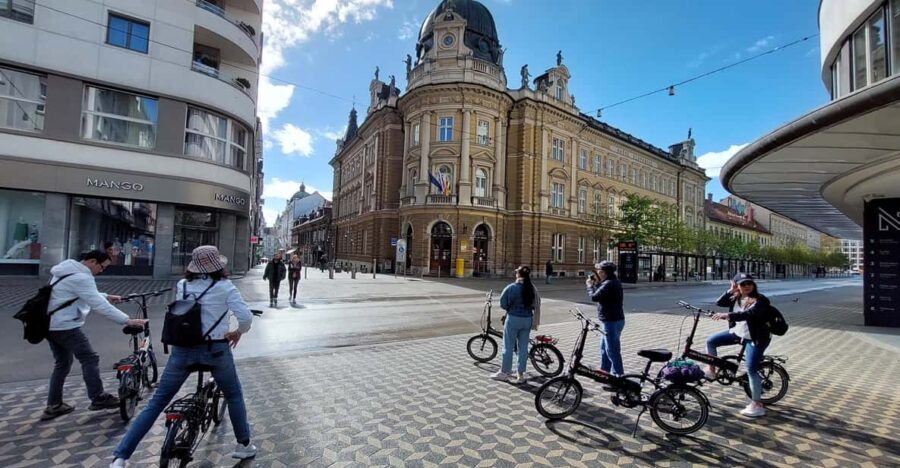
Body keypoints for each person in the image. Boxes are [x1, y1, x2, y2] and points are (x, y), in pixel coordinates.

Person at [109, 246, 255, 467]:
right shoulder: (226, 287)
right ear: (219, 266)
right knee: (234, 395)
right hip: (215, 350)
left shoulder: (183, 285)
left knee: (157, 402)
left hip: (183, 351)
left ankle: (121, 457)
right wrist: (237, 332)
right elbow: (245, 317)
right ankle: (243, 446)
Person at [41, 250, 147, 421]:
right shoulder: (82, 277)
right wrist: (127, 320)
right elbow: (97, 305)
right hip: (66, 326)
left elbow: (80, 294)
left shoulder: (67, 270)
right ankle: (98, 397)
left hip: (50, 324)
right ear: (92, 261)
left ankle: (53, 405)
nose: (101, 271)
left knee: (62, 363)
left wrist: (106, 296)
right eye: (102, 267)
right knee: (90, 358)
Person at [708, 273, 772, 418]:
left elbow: (749, 314)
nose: (747, 286)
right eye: (743, 284)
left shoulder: (761, 300)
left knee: (751, 368)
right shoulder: (735, 298)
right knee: (711, 341)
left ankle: (757, 404)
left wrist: (727, 315)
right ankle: (712, 369)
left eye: (749, 283)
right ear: (737, 285)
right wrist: (731, 290)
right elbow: (719, 302)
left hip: (756, 338)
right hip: (738, 334)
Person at [491, 266, 541, 384]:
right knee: (523, 348)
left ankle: (504, 372)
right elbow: (535, 304)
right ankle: (520, 374)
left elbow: (503, 303)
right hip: (528, 319)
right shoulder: (532, 288)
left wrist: (511, 307)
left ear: (518, 275)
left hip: (513, 319)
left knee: (508, 346)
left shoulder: (511, 287)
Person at [586, 261, 625, 377]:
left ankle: (619, 376)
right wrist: (597, 284)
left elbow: (595, 297)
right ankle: (605, 372)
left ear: (604, 272)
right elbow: (603, 294)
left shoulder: (609, 284)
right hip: (613, 320)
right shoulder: (610, 282)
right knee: (604, 348)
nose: (597, 273)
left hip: (611, 321)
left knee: (612, 350)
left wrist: (589, 286)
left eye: (599, 271)